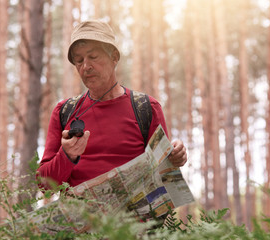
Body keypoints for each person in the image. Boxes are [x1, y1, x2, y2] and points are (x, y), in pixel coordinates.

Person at [37, 20, 187, 189]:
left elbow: (165, 176)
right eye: (79, 60)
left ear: (114, 57)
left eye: (93, 57)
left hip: (132, 215)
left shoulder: (147, 108)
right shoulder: (63, 111)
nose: (86, 66)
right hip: (79, 215)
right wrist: (66, 155)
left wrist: (176, 157)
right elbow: (44, 185)